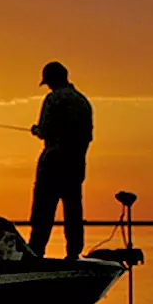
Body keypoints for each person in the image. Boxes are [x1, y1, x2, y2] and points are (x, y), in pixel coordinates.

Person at [29, 61, 93, 259]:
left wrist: (37, 131)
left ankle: (36, 252)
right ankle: (74, 253)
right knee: (73, 211)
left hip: (53, 164)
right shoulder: (83, 102)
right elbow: (88, 136)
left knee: (43, 211)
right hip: (76, 165)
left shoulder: (54, 99)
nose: (48, 86)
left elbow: (46, 129)